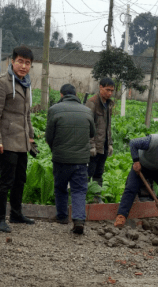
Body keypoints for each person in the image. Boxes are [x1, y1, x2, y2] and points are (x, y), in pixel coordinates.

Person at [0, 46, 36, 233]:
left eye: (27, 63)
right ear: (12, 61)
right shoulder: (2, 83)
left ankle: (16, 214)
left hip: (22, 142)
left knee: (20, 180)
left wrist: (31, 138)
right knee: (6, 181)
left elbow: (27, 115)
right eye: (20, 61)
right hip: (6, 141)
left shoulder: (26, 83)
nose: (23, 66)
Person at [45, 84, 95, 234]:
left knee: (60, 187)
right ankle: (79, 220)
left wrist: (55, 149)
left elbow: (49, 136)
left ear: (61, 95)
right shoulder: (87, 111)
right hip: (81, 159)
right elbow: (92, 132)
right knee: (79, 190)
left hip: (61, 158)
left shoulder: (54, 110)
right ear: (76, 95)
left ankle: (62, 216)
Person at [86, 78, 115, 204]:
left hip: (103, 145)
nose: (109, 93)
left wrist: (110, 144)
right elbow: (88, 125)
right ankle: (85, 197)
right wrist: (91, 145)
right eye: (107, 90)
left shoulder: (108, 104)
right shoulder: (92, 103)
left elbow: (108, 125)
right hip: (93, 146)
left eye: (112, 91)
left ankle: (96, 197)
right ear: (100, 87)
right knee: (89, 172)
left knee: (99, 172)